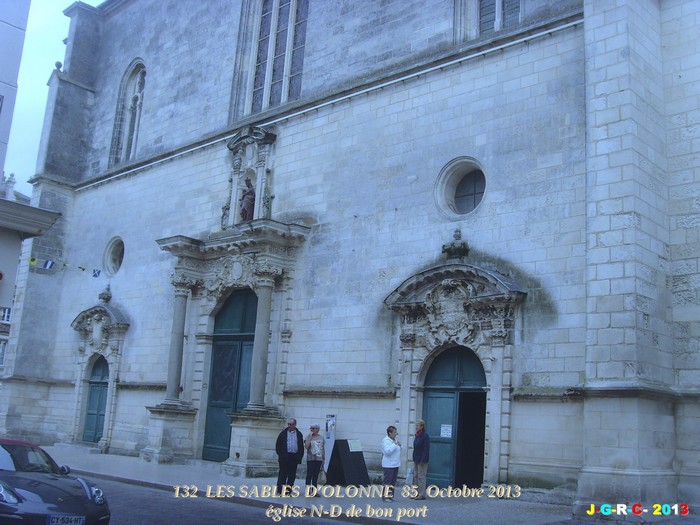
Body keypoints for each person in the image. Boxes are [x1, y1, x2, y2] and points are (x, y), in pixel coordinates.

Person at [275, 418, 304, 496]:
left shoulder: (299, 434)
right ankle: (280, 490)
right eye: (288, 424)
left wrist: (299, 457)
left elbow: (301, 446)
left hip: (294, 456)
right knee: (283, 474)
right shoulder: (283, 433)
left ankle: (288, 490)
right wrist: (281, 455)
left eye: (291, 424)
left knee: (292, 474)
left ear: (295, 425)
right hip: (285, 456)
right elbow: (278, 445)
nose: (289, 426)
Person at [381, 425, 401, 501]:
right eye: (394, 432)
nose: (396, 434)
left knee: (393, 482)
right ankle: (385, 496)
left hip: (395, 464)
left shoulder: (394, 440)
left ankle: (390, 495)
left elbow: (398, 449)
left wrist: (399, 445)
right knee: (387, 481)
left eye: (396, 432)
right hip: (388, 464)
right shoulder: (386, 441)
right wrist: (394, 445)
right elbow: (387, 452)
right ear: (390, 433)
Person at [304, 423, 325, 494]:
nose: (312, 429)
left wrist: (323, 458)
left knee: (316, 475)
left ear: (318, 429)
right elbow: (306, 447)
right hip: (310, 458)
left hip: (319, 459)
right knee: (309, 474)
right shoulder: (308, 437)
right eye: (311, 428)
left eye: (314, 428)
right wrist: (310, 437)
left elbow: (322, 449)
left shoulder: (321, 437)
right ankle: (307, 490)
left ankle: (314, 491)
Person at [411, 419, 430, 500]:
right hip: (416, 458)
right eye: (416, 425)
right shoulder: (417, 435)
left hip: (422, 459)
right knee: (415, 476)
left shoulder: (425, 435)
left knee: (421, 477)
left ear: (421, 426)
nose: (416, 427)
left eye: (417, 425)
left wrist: (423, 460)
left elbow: (426, 449)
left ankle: (421, 494)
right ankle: (415, 493)